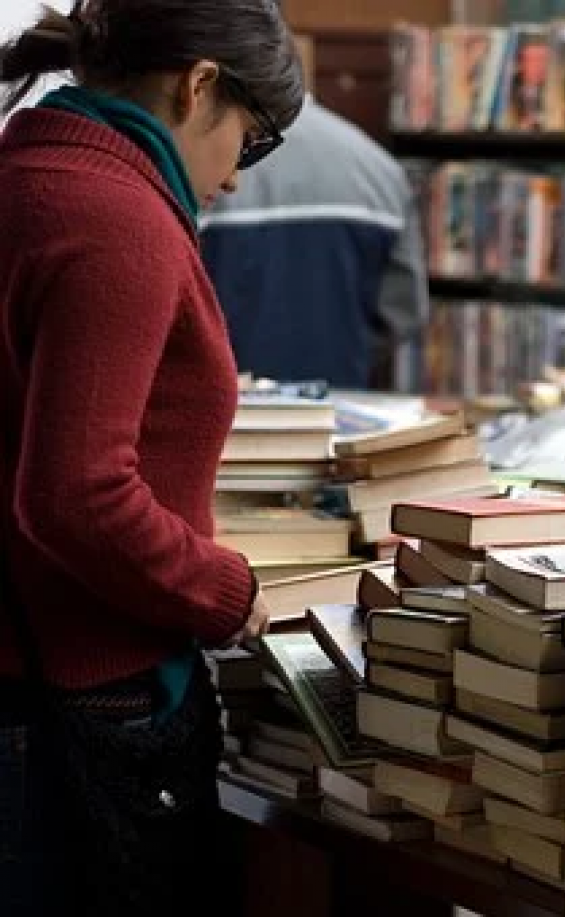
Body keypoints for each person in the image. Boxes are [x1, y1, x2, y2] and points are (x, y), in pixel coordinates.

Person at [0, 1, 301, 913]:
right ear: (198, 84)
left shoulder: (29, 175)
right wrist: (224, 591)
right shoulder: (117, 217)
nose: (237, 180)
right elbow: (77, 493)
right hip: (73, 704)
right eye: (249, 141)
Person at [199, 91, 429, 390]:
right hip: (338, 405)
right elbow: (404, 310)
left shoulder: (205, 167)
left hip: (228, 410)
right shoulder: (379, 168)